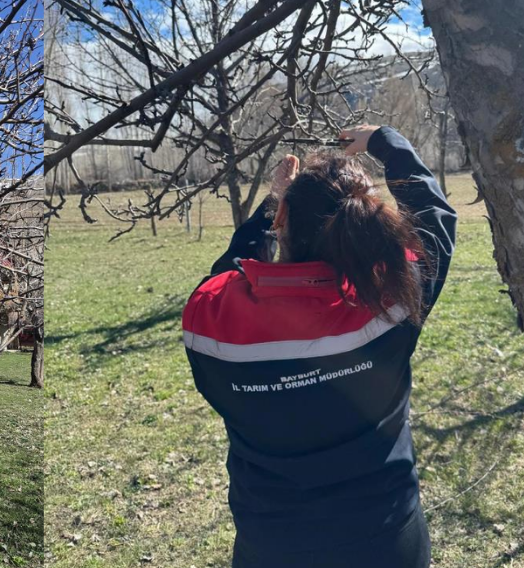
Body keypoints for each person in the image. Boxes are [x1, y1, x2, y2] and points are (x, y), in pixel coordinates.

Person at [182, 125, 457, 567]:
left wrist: (271, 207)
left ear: (283, 222)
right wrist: (386, 142)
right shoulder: (393, 299)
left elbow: (225, 272)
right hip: (388, 541)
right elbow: (434, 217)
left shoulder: (212, 322)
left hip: (272, 547)